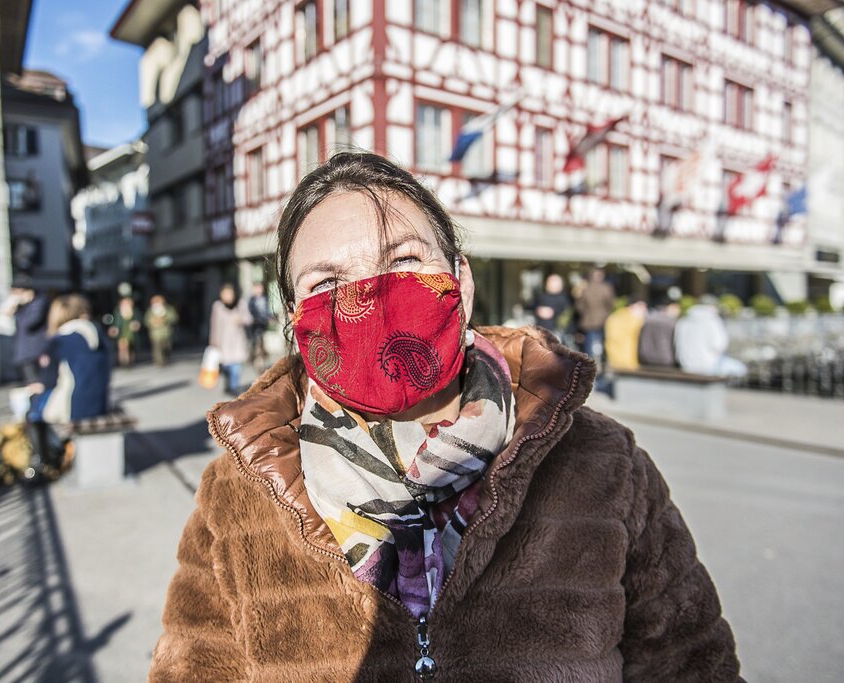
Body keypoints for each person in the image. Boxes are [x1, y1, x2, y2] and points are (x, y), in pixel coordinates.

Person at [149, 152, 741, 681]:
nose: (370, 299)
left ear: (461, 280)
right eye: (327, 282)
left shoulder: (605, 467)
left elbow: (694, 666)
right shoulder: (238, 496)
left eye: (404, 261)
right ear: (295, 321)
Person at [26, 294, 111, 469]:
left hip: (75, 404)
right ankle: (60, 448)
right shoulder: (97, 334)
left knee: (33, 410)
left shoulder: (60, 340)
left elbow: (48, 380)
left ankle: (43, 462)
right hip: (100, 401)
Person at [674, 295, 748, 378]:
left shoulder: (683, 321)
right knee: (741, 369)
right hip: (708, 366)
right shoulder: (713, 320)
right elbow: (720, 345)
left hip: (686, 365)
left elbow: (677, 344)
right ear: (712, 306)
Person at [209, 283, 252, 394]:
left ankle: (234, 387)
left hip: (237, 341)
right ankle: (228, 385)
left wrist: (241, 319)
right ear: (221, 295)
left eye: (230, 293)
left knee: (236, 367)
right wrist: (213, 342)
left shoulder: (241, 304)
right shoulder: (217, 306)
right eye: (225, 294)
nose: (228, 296)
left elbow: (249, 319)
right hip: (223, 342)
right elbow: (214, 325)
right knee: (226, 367)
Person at [7, 278, 50, 383]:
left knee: (37, 385)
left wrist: (21, 306)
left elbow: (29, 324)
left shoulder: (39, 303)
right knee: (31, 384)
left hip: (35, 352)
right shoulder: (23, 306)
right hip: (25, 353)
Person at [574, 267, 616, 362]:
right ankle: (601, 363)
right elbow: (611, 304)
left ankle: (590, 363)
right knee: (603, 343)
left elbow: (579, 306)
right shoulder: (606, 288)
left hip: (588, 321)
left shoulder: (584, 288)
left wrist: (585, 313)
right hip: (603, 320)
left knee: (589, 345)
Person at [604, 296, 648, 371]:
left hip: (613, 360)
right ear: (632, 306)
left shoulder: (613, 317)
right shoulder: (635, 320)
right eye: (642, 307)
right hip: (629, 362)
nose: (644, 310)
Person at [639, 299, 682, 368]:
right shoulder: (671, 322)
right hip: (666, 360)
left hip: (645, 359)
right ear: (671, 306)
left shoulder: (647, 320)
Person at [529, 273, 571, 342]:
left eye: (553, 282)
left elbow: (566, 314)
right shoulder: (541, 296)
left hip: (556, 332)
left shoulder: (564, 298)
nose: (549, 284)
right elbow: (530, 306)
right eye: (549, 282)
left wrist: (553, 312)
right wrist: (538, 310)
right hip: (539, 331)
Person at [144, 294, 179, 366]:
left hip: (166, 333)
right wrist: (152, 322)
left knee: (167, 347)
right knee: (157, 348)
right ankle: (160, 362)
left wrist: (165, 319)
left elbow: (174, 318)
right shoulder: (150, 311)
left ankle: (165, 357)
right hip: (155, 333)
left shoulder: (168, 309)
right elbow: (146, 321)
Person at [247, 280, 273, 373]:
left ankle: (261, 361)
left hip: (263, 326)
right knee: (257, 345)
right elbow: (252, 313)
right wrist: (263, 318)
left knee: (262, 345)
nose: (259, 290)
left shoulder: (265, 298)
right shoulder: (251, 300)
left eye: (260, 287)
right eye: (257, 288)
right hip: (255, 327)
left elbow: (267, 311)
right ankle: (258, 363)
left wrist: (270, 317)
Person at [108, 296, 141, 367]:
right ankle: (124, 362)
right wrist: (114, 329)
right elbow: (116, 322)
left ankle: (130, 361)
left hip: (130, 332)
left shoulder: (134, 311)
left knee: (131, 348)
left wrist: (136, 324)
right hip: (122, 333)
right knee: (123, 347)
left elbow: (138, 320)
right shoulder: (118, 312)